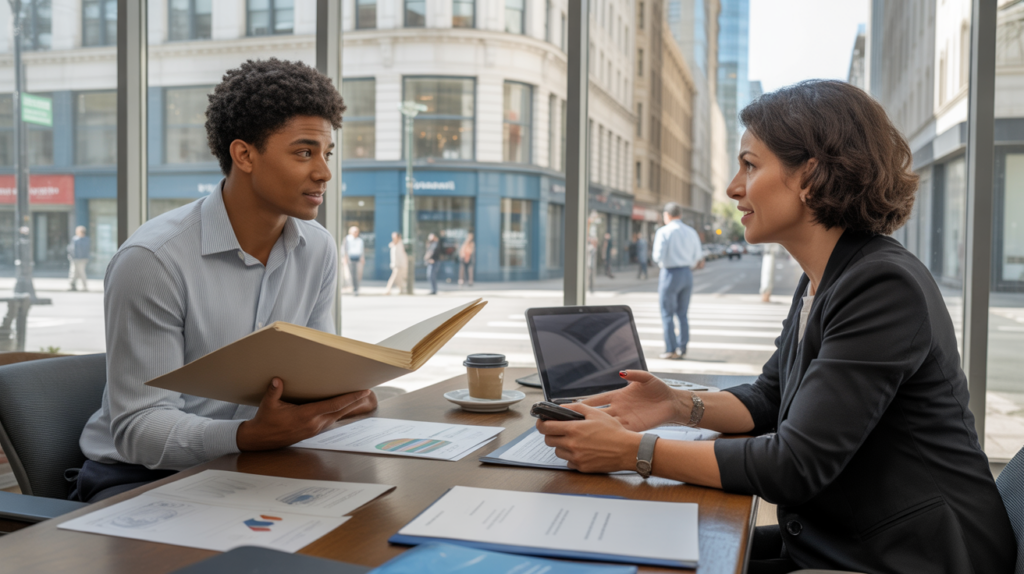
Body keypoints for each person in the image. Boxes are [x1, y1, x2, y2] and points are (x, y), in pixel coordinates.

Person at [535, 80, 1015, 574]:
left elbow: (794, 465)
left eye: (750, 164)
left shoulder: (883, 286)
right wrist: (675, 404)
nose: (732, 188)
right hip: (847, 537)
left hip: (921, 555)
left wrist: (634, 451)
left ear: (810, 175)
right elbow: (769, 398)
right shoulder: (823, 278)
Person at [74, 59, 377, 503]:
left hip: (258, 462)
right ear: (244, 155)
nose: (324, 173)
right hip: (138, 478)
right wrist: (247, 435)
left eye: (326, 154)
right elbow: (140, 430)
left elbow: (311, 377)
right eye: (303, 152)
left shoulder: (318, 248)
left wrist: (340, 398)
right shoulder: (153, 260)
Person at [652, 203, 704, 360]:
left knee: (667, 314)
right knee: (682, 314)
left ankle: (670, 349)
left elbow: (657, 256)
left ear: (667, 215)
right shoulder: (691, 232)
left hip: (670, 273)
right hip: (687, 273)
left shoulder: (664, 231)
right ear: (680, 215)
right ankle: (683, 348)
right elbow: (698, 256)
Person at [67, 226, 91, 291]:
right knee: (74, 272)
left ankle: (84, 286)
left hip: (81, 259)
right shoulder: (76, 239)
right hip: (76, 258)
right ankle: (73, 285)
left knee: (80, 272)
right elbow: (71, 248)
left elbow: (73, 249)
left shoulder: (83, 239)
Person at [343, 226, 364, 295]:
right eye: (354, 231)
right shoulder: (347, 239)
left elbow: (361, 250)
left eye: (357, 231)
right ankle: (352, 288)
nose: (356, 233)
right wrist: (345, 258)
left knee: (357, 275)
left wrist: (362, 258)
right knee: (350, 275)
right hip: (350, 259)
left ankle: (356, 288)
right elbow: (344, 249)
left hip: (357, 259)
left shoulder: (360, 240)